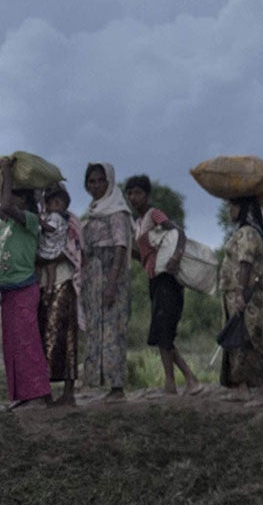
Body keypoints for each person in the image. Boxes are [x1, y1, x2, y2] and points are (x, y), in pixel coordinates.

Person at [126, 175, 199, 397]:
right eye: (130, 193)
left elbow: (178, 232)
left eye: (138, 193)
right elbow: (145, 253)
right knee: (160, 334)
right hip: (154, 278)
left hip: (167, 278)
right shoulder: (138, 223)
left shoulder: (153, 214)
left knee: (164, 332)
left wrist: (176, 255)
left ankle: (190, 379)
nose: (133, 197)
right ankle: (171, 383)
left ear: (146, 195)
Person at [76, 163, 133, 400]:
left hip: (111, 274)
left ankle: (117, 386)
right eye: (91, 181)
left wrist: (111, 283)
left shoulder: (117, 210)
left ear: (109, 182)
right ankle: (99, 381)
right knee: (96, 328)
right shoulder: (93, 210)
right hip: (94, 275)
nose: (96, 185)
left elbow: (120, 245)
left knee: (112, 328)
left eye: (100, 180)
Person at [1, 161, 52, 409]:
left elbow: (4, 205)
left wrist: (8, 173)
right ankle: (24, 395)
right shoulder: (7, 224)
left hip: (23, 288)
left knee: (27, 341)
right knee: (12, 344)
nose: (14, 200)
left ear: (27, 200)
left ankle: (38, 395)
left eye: (19, 196)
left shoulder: (30, 220)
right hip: (8, 290)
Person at [219, 196, 263, 405]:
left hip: (245, 295)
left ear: (242, 208)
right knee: (236, 340)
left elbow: (245, 263)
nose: (229, 211)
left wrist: (242, 292)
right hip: (234, 294)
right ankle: (241, 386)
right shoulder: (242, 232)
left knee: (251, 339)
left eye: (232, 205)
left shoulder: (248, 233)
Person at [36, 185, 82, 408]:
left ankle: (68, 393)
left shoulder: (70, 222)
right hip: (44, 284)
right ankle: (45, 393)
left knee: (65, 336)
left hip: (64, 282)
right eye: (53, 200)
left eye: (61, 200)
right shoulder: (41, 219)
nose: (57, 204)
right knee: (44, 337)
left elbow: (74, 251)